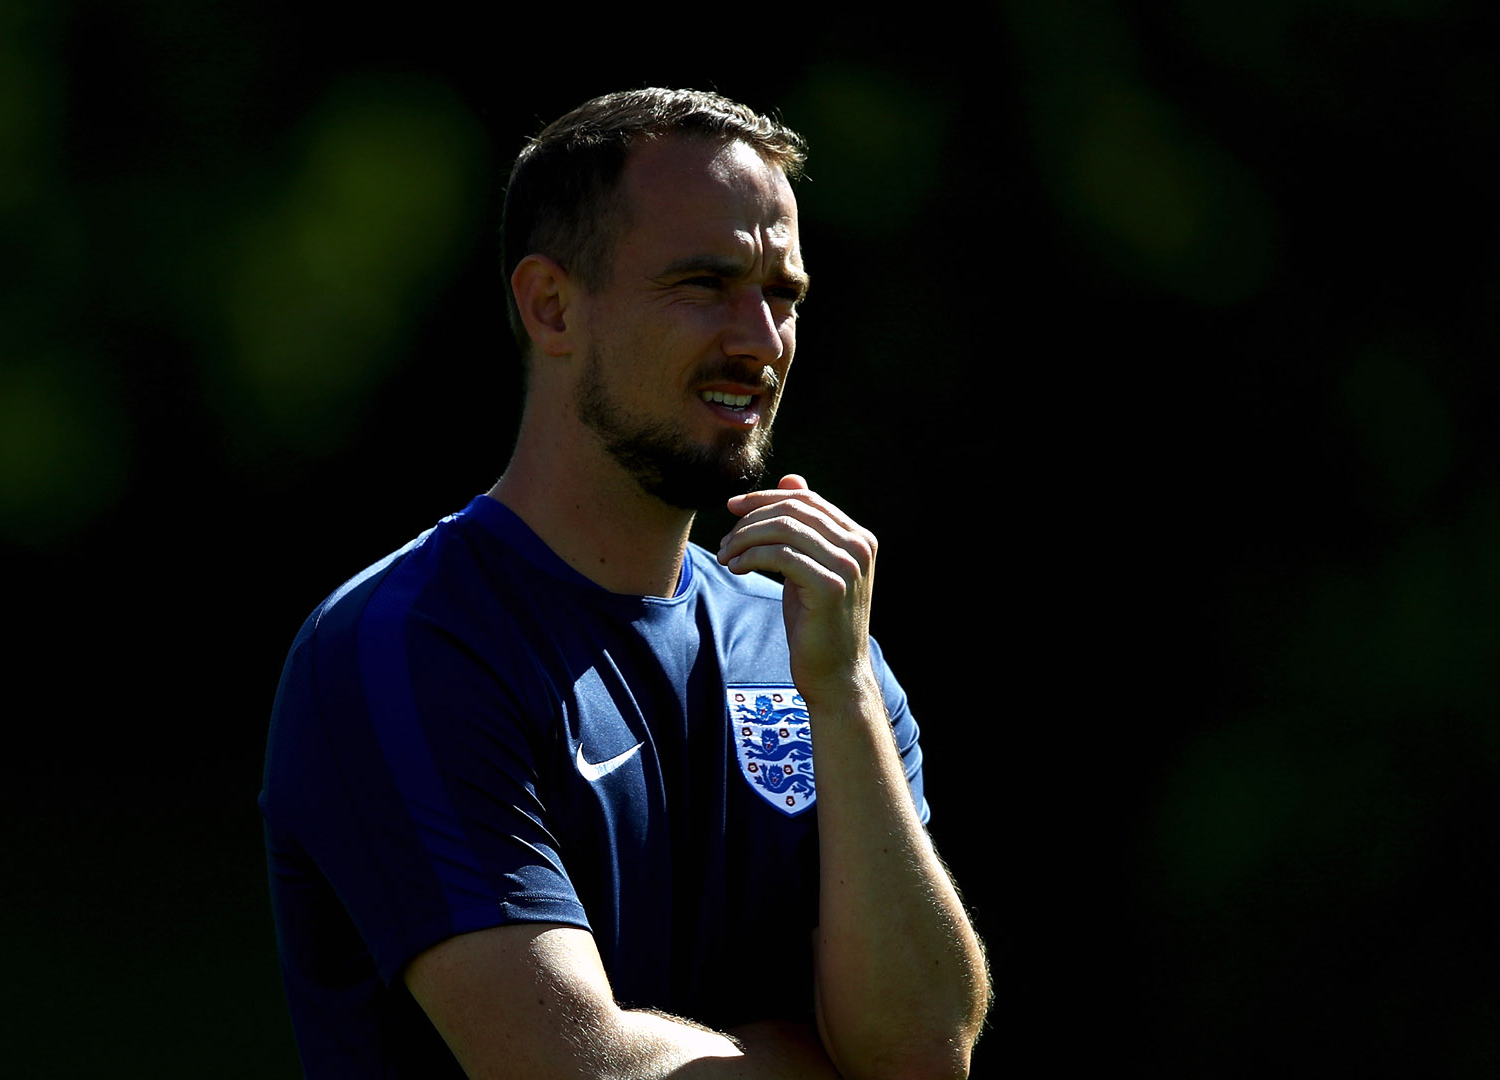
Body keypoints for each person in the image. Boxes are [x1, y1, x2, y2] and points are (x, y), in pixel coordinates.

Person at [260, 88, 990, 1078]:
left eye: (784, 294)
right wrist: (805, 1061)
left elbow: (925, 1056)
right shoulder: (406, 645)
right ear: (551, 306)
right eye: (704, 283)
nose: (762, 341)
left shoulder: (815, 645)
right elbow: (566, 1065)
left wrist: (846, 691)